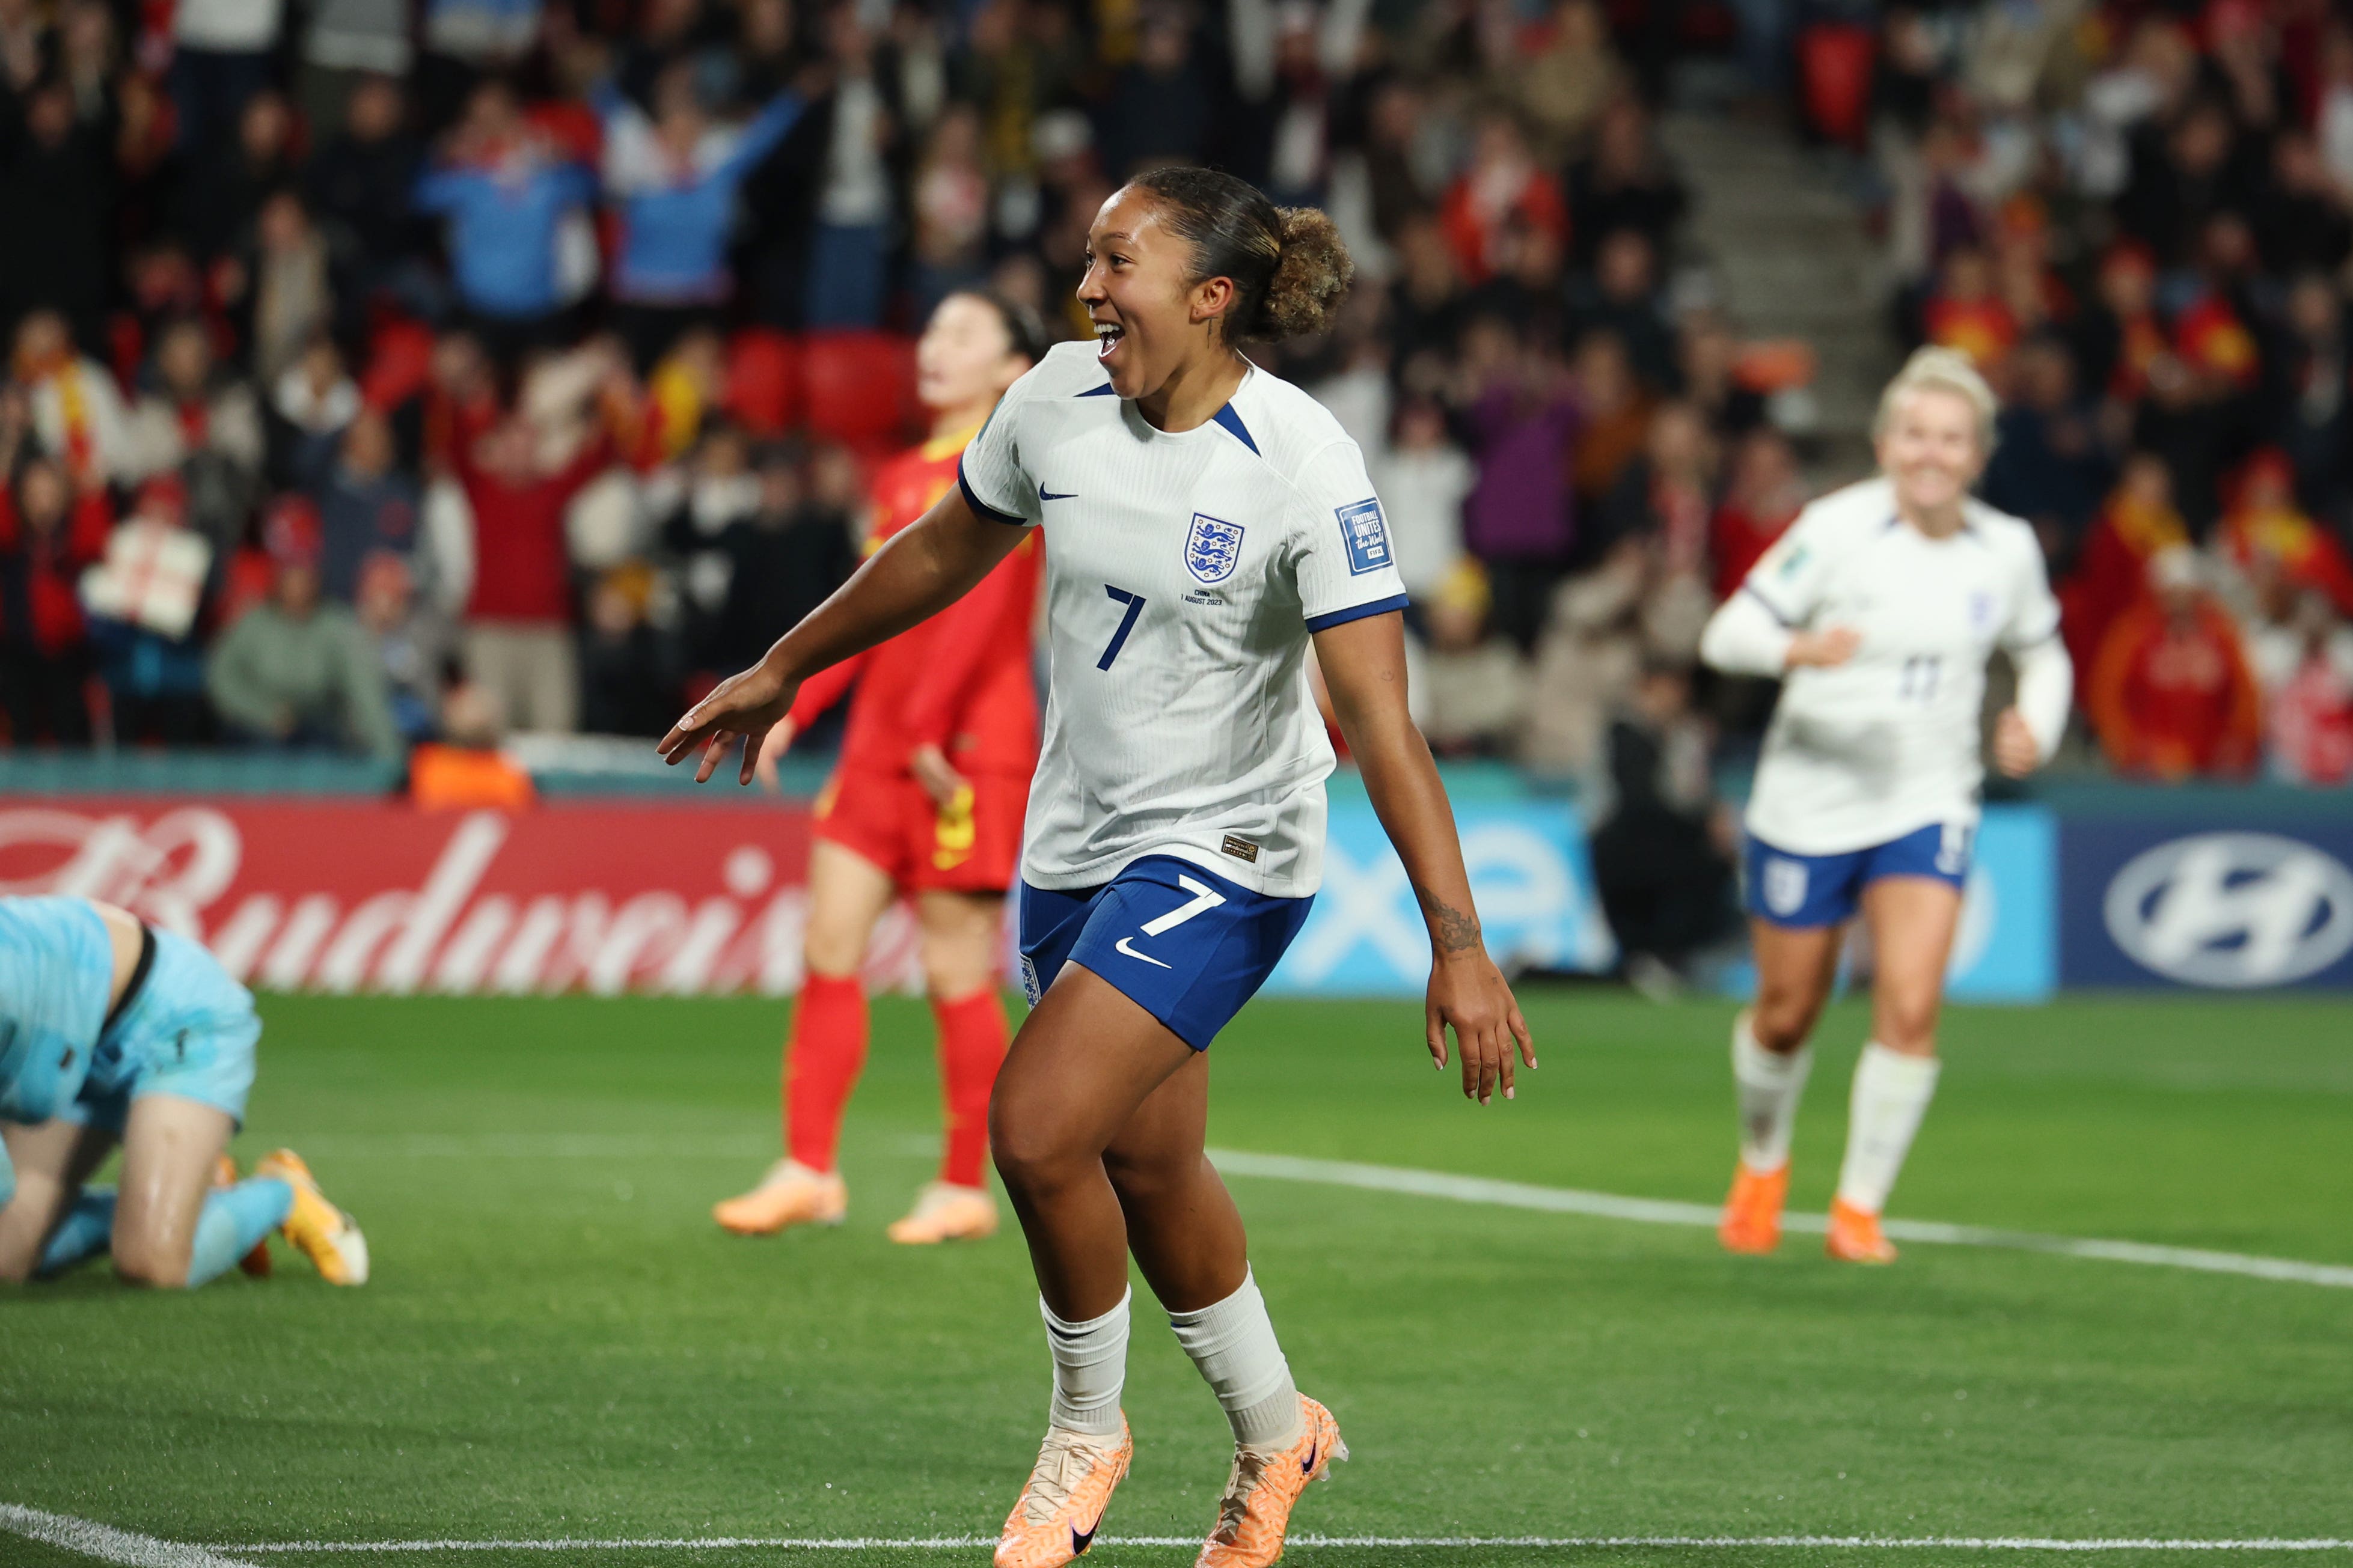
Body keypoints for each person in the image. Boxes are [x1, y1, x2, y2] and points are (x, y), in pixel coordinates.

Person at [660, 168, 1534, 1568]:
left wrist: (1461, 940)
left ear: (1212, 295)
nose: (1087, 290)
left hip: (1232, 849)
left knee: (1035, 1126)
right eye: (1087, 259)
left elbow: (1380, 718)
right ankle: (1277, 1435)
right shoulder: (1055, 395)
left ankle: (1083, 1431)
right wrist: (786, 666)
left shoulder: (1303, 462)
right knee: (1152, 1161)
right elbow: (945, 547)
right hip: (1074, 839)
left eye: (1118, 263)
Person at [1697, 347, 2071, 1265]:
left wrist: (2036, 725)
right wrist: (1794, 650)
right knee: (1786, 1013)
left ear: (1977, 453)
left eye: (1950, 438)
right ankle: (1762, 1162)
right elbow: (1728, 632)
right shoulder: (1835, 528)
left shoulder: (2006, 550)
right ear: (1883, 443)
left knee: (1909, 1006)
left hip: (1928, 798)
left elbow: (2044, 653)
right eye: (1914, 434)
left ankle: (1857, 1209)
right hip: (1808, 801)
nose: (1930, 453)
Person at [712, 290, 1050, 1248]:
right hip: (877, 750)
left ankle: (962, 1186)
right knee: (828, 942)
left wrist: (933, 728)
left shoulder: (1015, 467)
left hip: (964, 753)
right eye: (931, 330)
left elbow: (986, 613)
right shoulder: (900, 474)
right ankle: (807, 1169)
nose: (934, 348)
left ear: (1011, 369)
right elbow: (863, 614)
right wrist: (792, 698)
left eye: (962, 334)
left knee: (954, 967)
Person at [0, 895, 367, 1289]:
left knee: (152, 1264)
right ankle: (190, 1199)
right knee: (6, 1258)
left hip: (175, 1015)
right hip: (76, 1042)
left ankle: (282, 1194)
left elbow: (29, 1118)